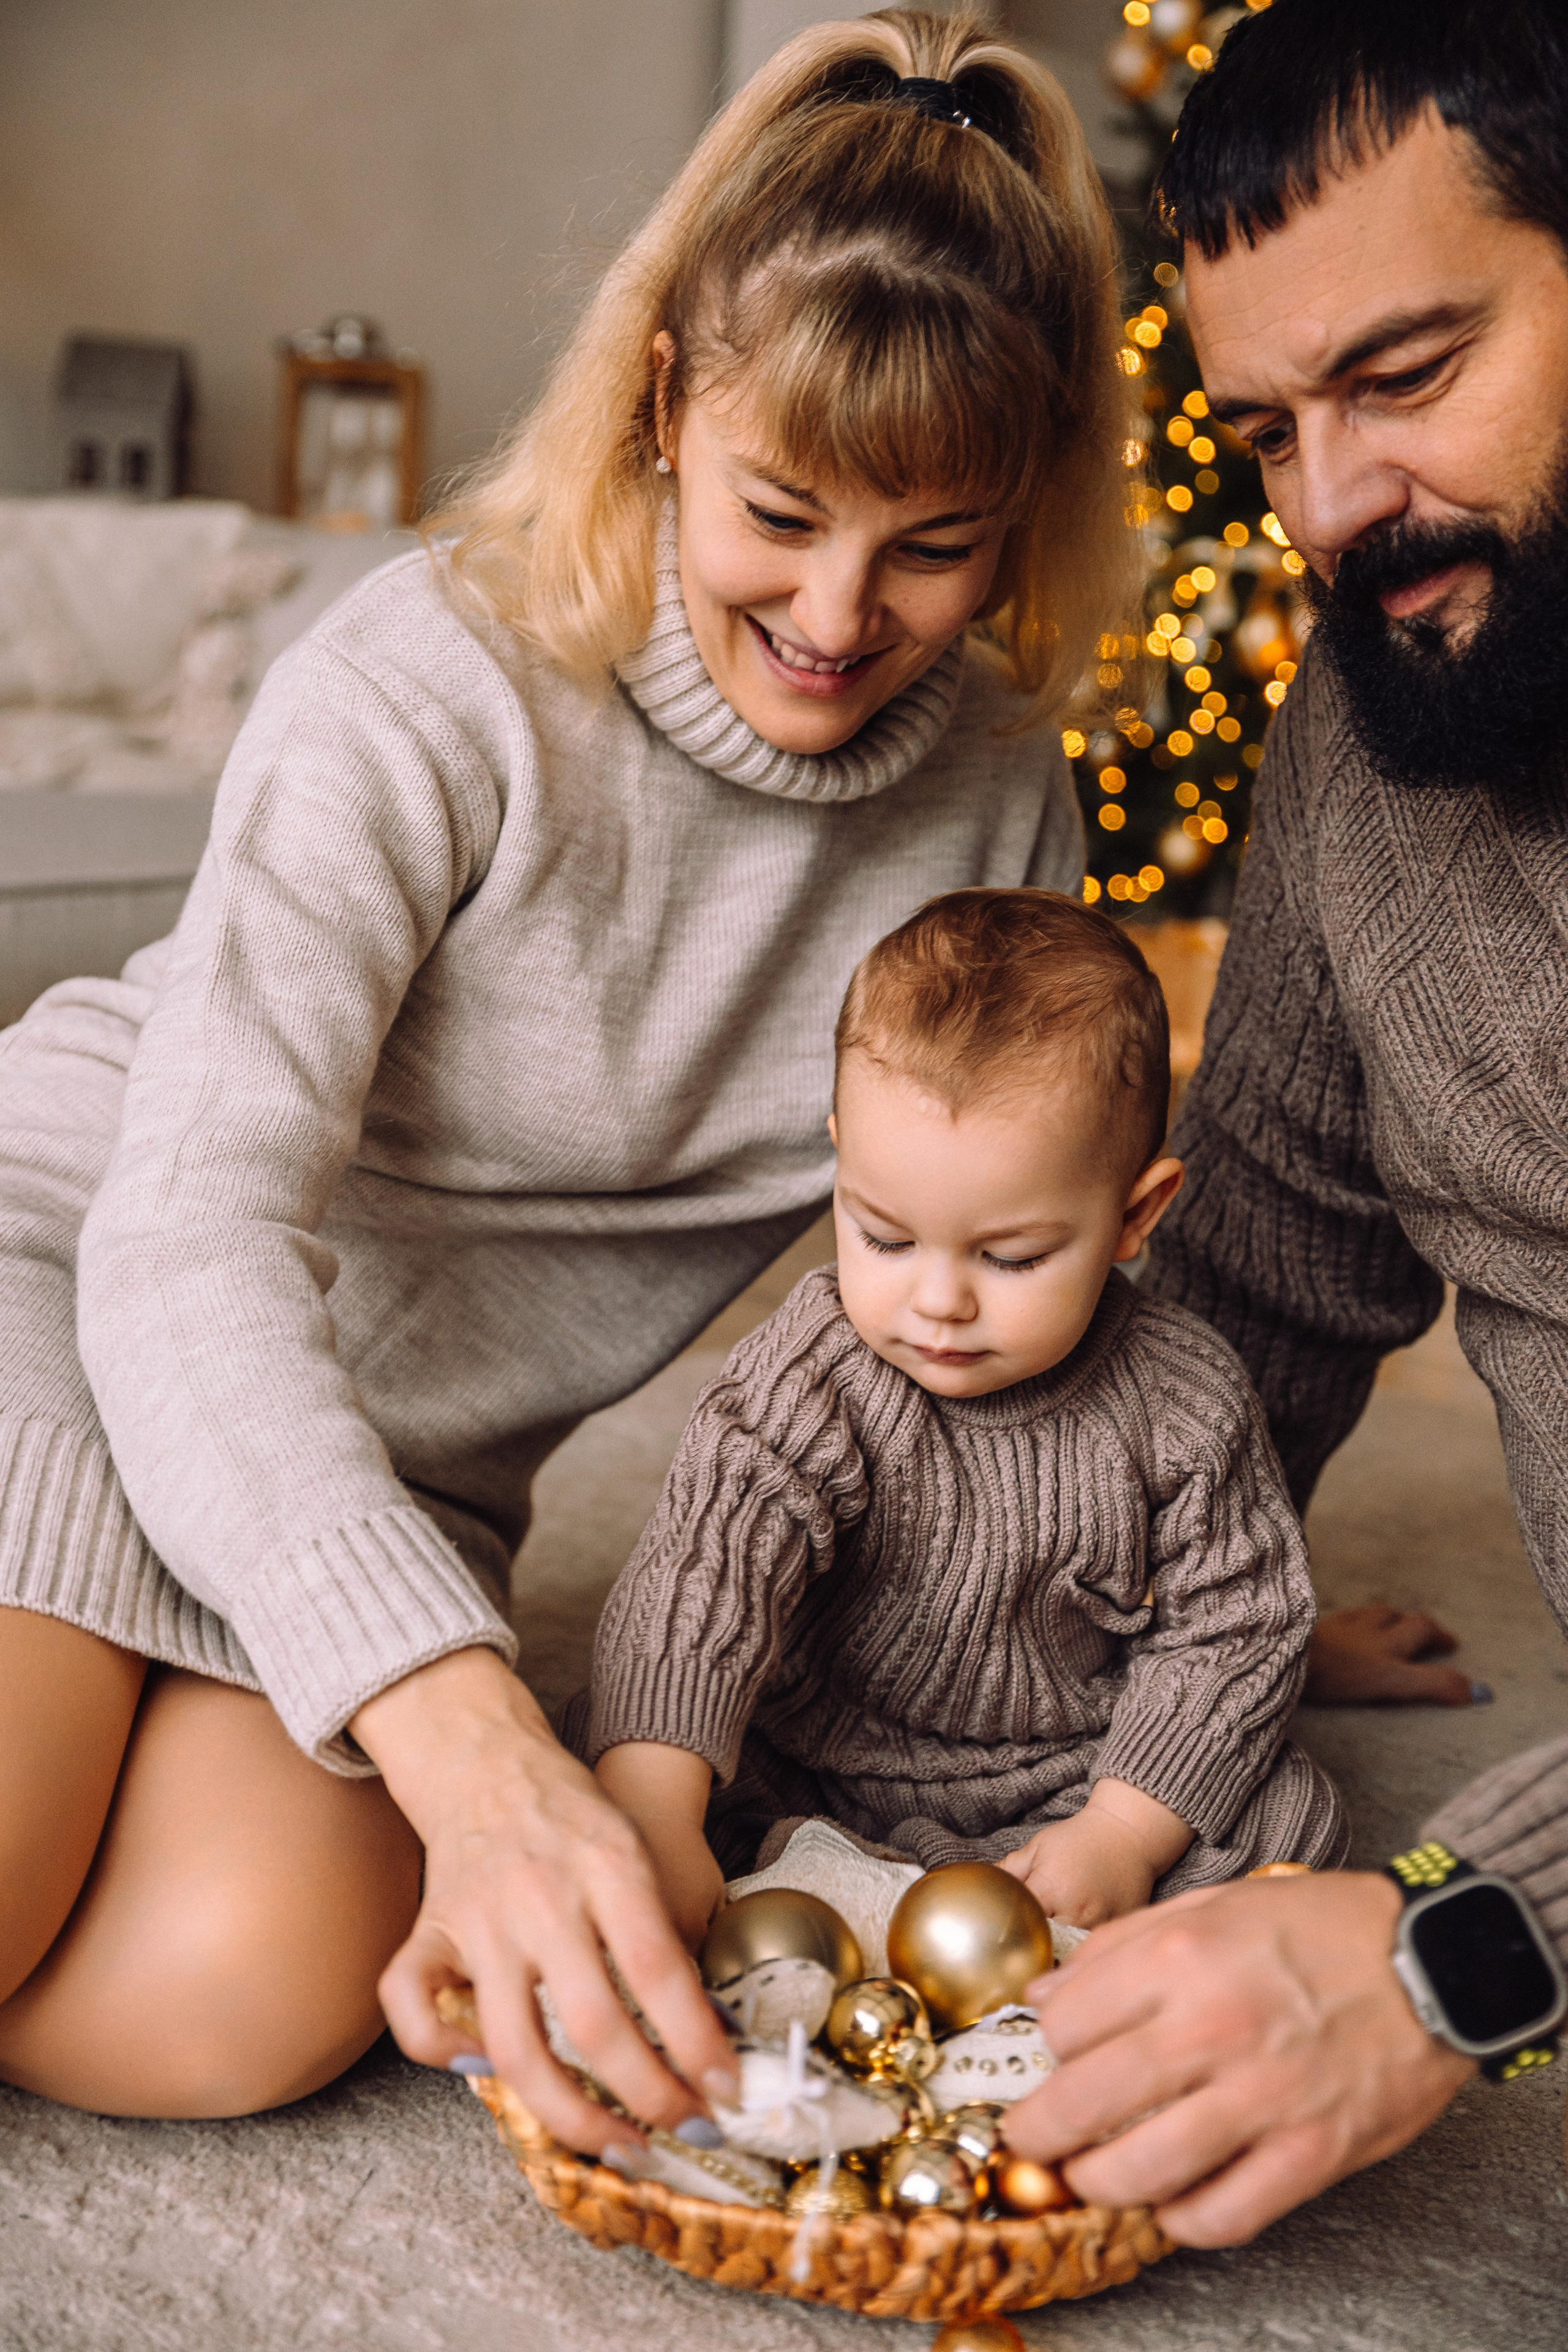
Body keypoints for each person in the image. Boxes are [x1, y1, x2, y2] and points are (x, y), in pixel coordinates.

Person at [0, 12, 1137, 2147]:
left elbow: (968, 1268)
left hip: (396, 1462)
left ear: (1027, 501)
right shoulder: (429, 679)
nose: (836, 611)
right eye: (781, 510)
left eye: (934, 542)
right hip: (76, 1278)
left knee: (225, 2016)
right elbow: (187, 1235)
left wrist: (1169, 1543)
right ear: (663, 399)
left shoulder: (1001, 806)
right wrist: (472, 1747)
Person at [1004, 0, 1568, 2249]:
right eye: (1265, 429)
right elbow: (1255, 1280)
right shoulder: (1379, 696)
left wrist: (1453, 1945)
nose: (1329, 510)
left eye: (1409, 378)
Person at [575, 887, 1345, 1945]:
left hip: (1067, 1777)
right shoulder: (814, 1373)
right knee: (623, 1759)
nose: (939, 1302)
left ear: (1135, 1213)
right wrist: (658, 1815)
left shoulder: (1185, 1401)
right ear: (843, 1155)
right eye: (885, 1236)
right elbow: (706, 1570)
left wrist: (1123, 1831)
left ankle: (1083, 1937)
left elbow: (1238, 1625)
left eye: (1012, 1257)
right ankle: (785, 1887)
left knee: (1290, 1821)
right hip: (808, 1749)